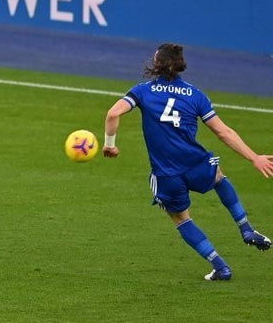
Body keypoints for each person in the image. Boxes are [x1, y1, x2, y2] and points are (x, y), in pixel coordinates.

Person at [102, 43, 273, 281]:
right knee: (219, 177)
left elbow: (112, 114)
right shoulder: (195, 94)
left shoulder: (142, 91)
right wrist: (254, 157)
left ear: (156, 63)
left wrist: (109, 145)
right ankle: (246, 229)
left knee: (182, 219)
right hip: (196, 163)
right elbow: (223, 132)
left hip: (167, 174)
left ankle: (220, 266)